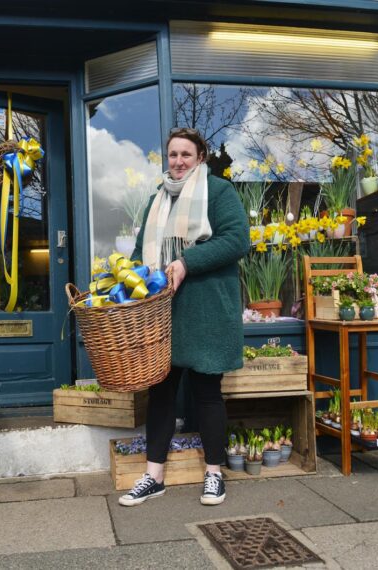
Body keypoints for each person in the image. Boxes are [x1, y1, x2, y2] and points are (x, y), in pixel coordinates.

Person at [120, 127, 250, 507]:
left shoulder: (219, 193)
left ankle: (213, 474)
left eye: (186, 155)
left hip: (207, 308)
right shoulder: (155, 200)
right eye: (173, 155)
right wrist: (126, 280)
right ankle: (153, 476)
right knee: (160, 392)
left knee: (207, 394)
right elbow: (141, 253)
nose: (178, 162)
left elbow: (237, 239)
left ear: (200, 158)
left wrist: (186, 261)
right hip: (164, 312)